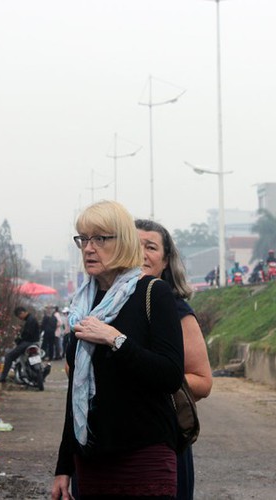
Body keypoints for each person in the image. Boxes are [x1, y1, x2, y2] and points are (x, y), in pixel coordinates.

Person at [52, 200, 184, 500]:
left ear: (123, 241)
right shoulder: (83, 305)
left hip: (144, 457)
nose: (88, 248)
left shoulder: (152, 293)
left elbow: (170, 375)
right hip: (92, 461)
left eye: (100, 239)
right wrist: (64, 466)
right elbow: (76, 392)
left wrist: (116, 340)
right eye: (83, 239)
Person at [136, 219, 213, 500]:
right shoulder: (100, 305)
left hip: (161, 439)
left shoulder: (177, 311)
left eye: (151, 247)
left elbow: (203, 382)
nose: (141, 253)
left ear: (166, 260)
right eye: (133, 245)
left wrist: (143, 385)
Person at [0, 306, 40, 383]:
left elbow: (27, 334)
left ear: (22, 313)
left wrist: (19, 339)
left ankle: (3, 377)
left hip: (27, 343)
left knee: (9, 357)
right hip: (35, 342)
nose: (20, 318)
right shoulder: (31, 319)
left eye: (19, 316)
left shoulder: (30, 320)